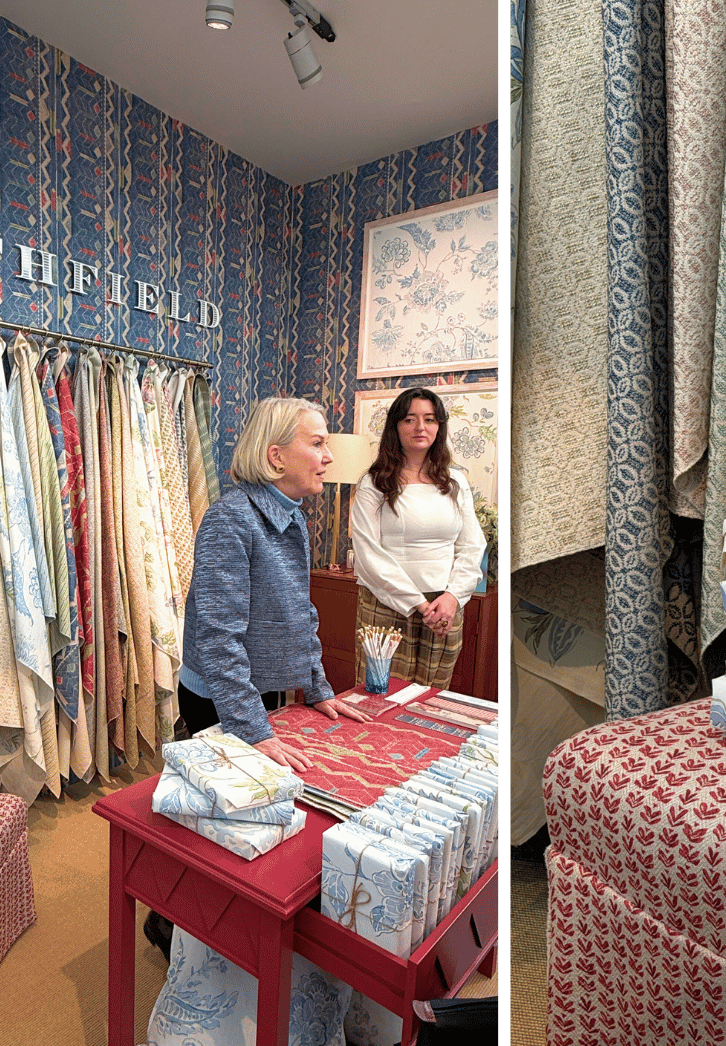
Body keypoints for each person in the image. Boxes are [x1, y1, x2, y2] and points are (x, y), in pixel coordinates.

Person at [148, 396, 367, 958]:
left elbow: (299, 614)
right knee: (210, 815)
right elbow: (217, 637)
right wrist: (252, 728)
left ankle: (214, 921)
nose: (327, 455)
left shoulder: (290, 517)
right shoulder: (231, 518)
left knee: (248, 813)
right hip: (218, 696)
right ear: (275, 457)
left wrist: (317, 686)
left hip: (256, 688)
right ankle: (165, 923)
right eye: (315, 443)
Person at [350, 387, 487, 689]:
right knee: (379, 695)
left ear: (439, 426)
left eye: (429, 419)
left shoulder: (455, 482)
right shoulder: (374, 482)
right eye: (410, 419)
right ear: (395, 427)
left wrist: (452, 597)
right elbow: (367, 552)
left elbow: (472, 545)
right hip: (387, 604)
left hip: (445, 608)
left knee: (432, 698)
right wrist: (419, 605)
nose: (420, 427)